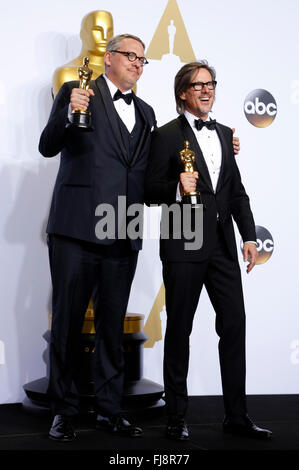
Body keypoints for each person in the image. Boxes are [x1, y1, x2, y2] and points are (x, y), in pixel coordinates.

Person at [144, 61, 272, 441]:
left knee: (234, 326)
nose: (206, 90)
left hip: (222, 247)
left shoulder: (224, 133)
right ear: (183, 92)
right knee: (180, 330)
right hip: (183, 242)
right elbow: (148, 189)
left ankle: (236, 415)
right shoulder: (165, 135)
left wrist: (248, 236)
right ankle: (175, 417)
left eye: (210, 83)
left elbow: (236, 192)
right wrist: (175, 188)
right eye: (197, 85)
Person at [39, 33, 156, 441]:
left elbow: (146, 173)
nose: (138, 64)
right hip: (75, 229)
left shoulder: (146, 111)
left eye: (143, 60)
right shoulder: (77, 90)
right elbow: (47, 146)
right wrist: (68, 114)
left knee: (111, 328)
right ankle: (63, 411)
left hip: (124, 231)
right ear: (108, 59)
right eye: (130, 56)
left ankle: (110, 410)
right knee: (69, 323)